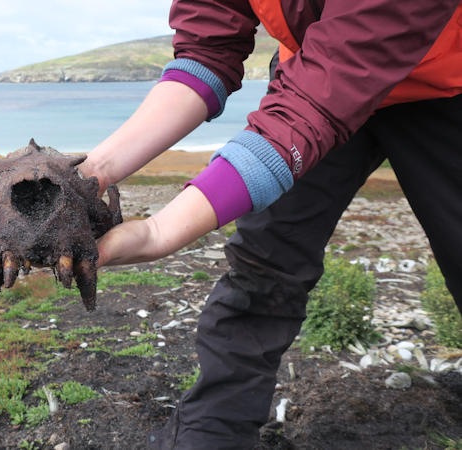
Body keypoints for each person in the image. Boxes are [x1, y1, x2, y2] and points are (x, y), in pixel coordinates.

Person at [78, 0, 462, 448]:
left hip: (445, 83)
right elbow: (207, 50)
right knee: (266, 259)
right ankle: (211, 433)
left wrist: (160, 232)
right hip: (313, 74)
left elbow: (336, 80)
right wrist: (91, 172)